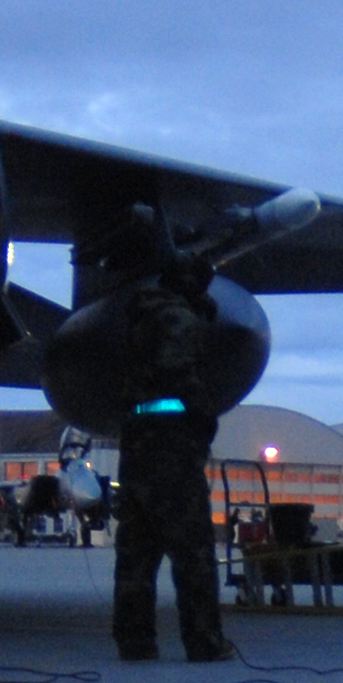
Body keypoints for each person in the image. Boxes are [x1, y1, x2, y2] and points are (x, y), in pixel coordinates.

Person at [112, 260, 232, 662]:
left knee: (136, 552)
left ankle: (134, 641)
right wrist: (203, 419)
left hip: (136, 444)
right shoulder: (177, 319)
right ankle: (204, 641)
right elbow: (180, 377)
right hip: (172, 447)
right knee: (193, 551)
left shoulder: (137, 320)